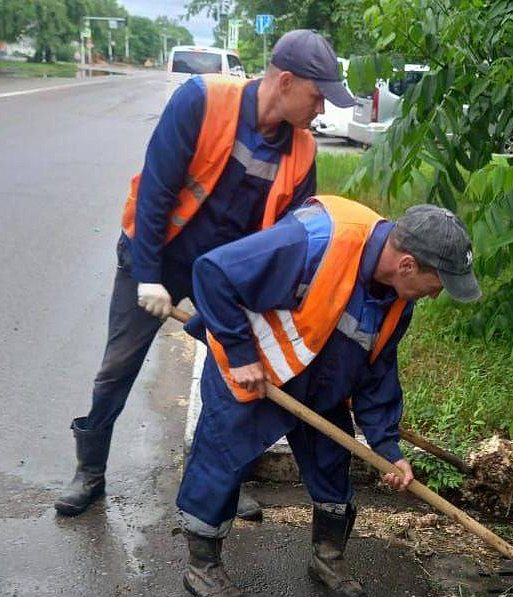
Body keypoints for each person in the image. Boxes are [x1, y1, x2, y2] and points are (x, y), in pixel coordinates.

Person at [55, 30, 357, 517]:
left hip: (223, 279)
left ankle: (221, 479)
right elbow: (157, 188)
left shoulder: (302, 152)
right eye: (318, 96)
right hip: (156, 256)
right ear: (285, 81)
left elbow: (292, 240)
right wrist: (150, 275)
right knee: (118, 367)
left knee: (233, 374)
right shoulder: (201, 100)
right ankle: (89, 471)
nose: (321, 110)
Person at [177, 195, 481, 597]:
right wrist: (241, 353)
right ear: (408, 264)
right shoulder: (315, 240)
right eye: (438, 284)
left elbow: (376, 375)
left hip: (321, 387)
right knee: (222, 460)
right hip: (258, 371)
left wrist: (388, 449)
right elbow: (212, 272)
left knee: (332, 465)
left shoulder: (397, 298)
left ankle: (328, 559)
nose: (435, 295)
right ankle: (202, 567)